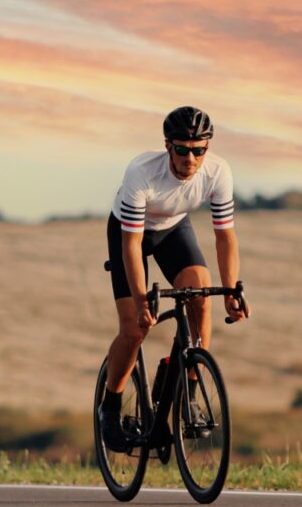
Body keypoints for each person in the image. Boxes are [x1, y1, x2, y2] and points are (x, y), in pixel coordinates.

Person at [99, 105, 245, 449]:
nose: (190, 158)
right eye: (182, 149)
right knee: (135, 328)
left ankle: (187, 395)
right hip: (129, 233)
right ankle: (111, 405)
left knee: (201, 300)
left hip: (174, 229)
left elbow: (225, 236)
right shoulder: (142, 171)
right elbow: (132, 244)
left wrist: (230, 292)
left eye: (198, 150)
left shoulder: (218, 171)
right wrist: (139, 301)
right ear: (168, 146)